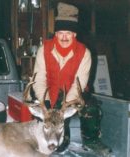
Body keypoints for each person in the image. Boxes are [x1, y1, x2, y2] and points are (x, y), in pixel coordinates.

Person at [32, 2, 111, 155]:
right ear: (55, 34)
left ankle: (91, 140)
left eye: (68, 33)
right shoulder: (44, 49)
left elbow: (79, 83)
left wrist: (64, 109)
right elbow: (39, 77)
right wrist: (45, 101)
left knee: (91, 107)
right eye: (60, 32)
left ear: (74, 34)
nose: (64, 37)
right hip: (50, 94)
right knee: (59, 145)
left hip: (73, 96)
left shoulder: (84, 53)